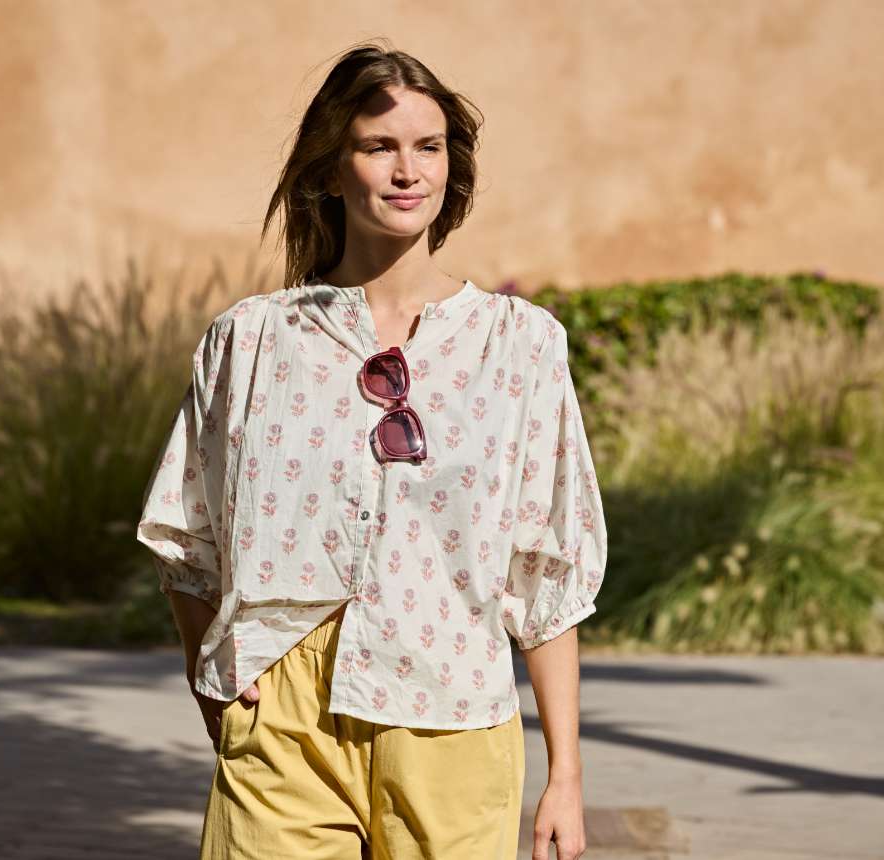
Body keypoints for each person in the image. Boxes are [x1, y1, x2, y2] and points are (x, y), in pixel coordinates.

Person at [135, 41, 606, 860]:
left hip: (453, 709)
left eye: (429, 147)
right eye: (379, 147)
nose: (407, 171)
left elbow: (546, 568)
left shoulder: (519, 345)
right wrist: (210, 675)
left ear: (452, 167)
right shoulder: (252, 340)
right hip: (283, 714)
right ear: (330, 169)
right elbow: (186, 533)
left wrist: (565, 771)